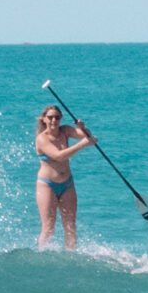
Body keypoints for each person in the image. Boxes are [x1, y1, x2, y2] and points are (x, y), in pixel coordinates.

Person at [34, 104, 96, 246]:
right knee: (49, 228)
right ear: (44, 119)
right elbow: (58, 156)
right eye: (50, 117)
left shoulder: (65, 130)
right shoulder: (42, 139)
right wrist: (82, 145)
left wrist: (82, 128)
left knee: (70, 227)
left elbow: (87, 136)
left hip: (67, 183)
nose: (53, 121)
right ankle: (43, 257)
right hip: (47, 185)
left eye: (57, 117)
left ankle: (71, 255)